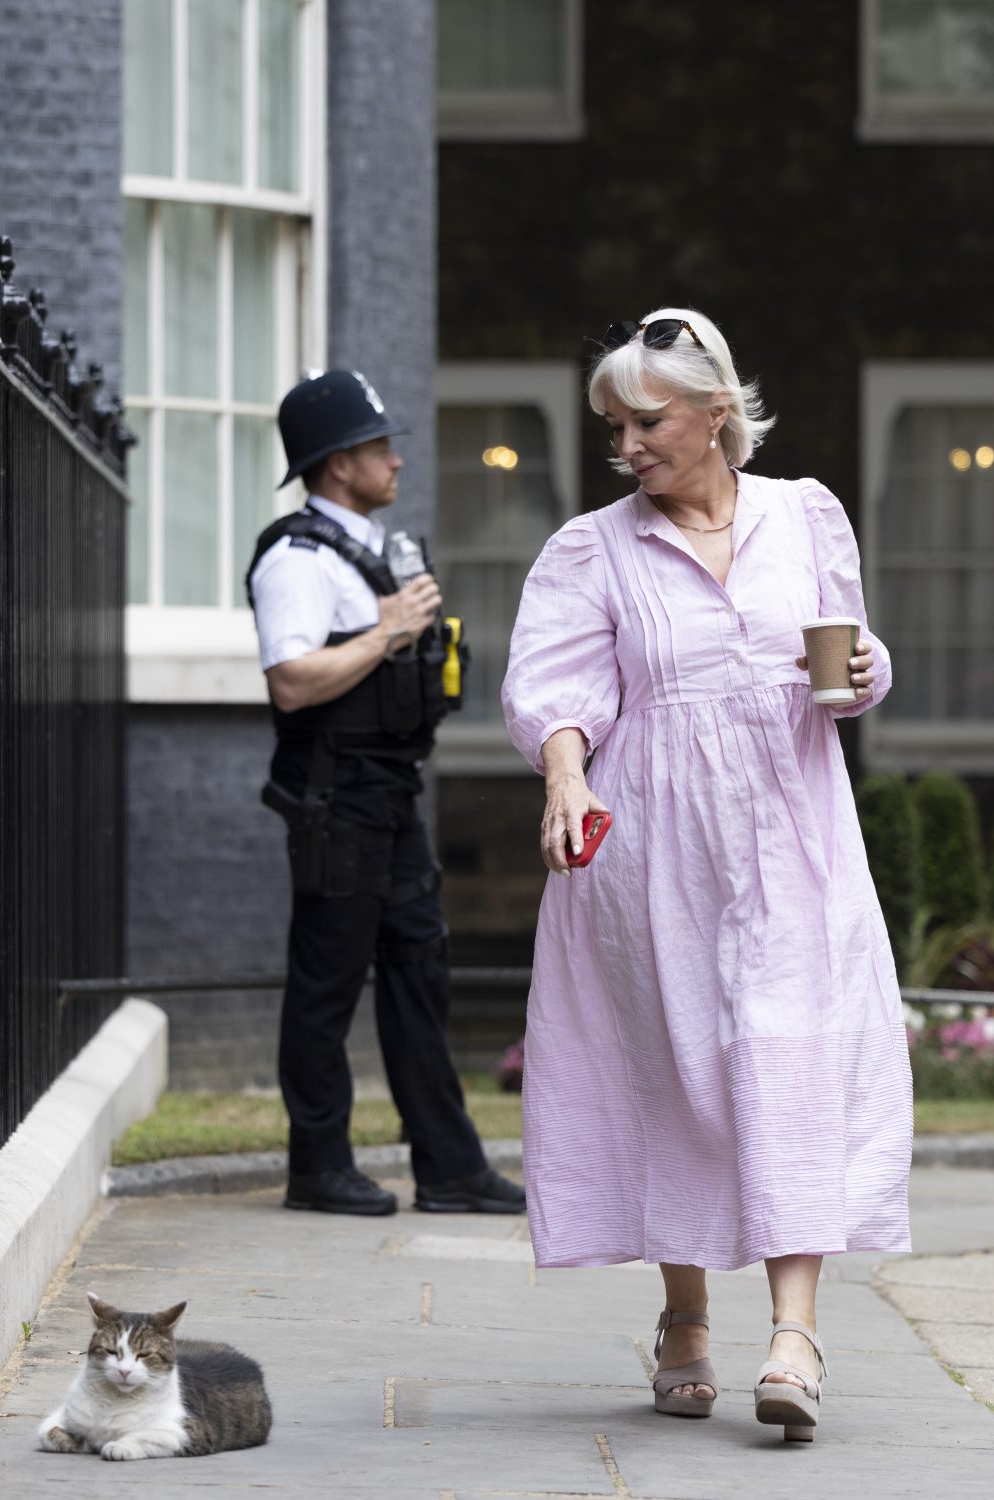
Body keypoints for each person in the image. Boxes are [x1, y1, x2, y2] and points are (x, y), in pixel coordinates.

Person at [499, 310, 910, 1439]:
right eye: (614, 427)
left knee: (790, 1058)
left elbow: (849, 656)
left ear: (716, 410)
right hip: (655, 848)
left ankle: (794, 1335)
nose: (626, 444)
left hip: (793, 833)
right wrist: (566, 778)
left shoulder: (808, 514)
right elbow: (557, 689)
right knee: (678, 1066)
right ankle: (685, 1317)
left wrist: (868, 671)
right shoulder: (593, 549)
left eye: (647, 421)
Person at [245, 368, 527, 1219]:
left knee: (420, 971)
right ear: (336, 465)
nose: (396, 461)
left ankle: (449, 1166)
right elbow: (293, 682)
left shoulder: (376, 549)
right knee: (328, 983)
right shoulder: (295, 560)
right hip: (336, 799)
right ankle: (318, 1165)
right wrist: (390, 630)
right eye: (377, 448)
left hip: (390, 796)